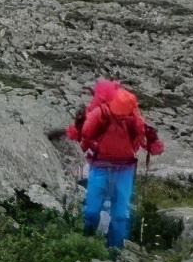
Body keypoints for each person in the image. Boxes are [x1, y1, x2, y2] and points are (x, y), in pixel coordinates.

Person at [66, 81, 164, 249]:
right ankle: (87, 244)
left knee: (120, 215)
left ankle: (113, 249)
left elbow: (153, 149)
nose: (121, 118)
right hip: (104, 167)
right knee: (92, 211)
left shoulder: (133, 119)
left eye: (124, 115)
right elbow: (83, 138)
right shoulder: (99, 114)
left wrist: (153, 139)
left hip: (120, 169)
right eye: (118, 115)